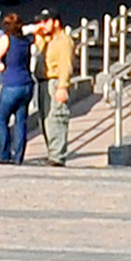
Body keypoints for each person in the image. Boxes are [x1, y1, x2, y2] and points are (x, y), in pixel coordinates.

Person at [0, 4, 42, 165]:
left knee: (1, 119)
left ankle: (4, 154)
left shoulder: (6, 39)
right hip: (27, 84)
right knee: (20, 121)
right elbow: (9, 63)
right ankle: (18, 156)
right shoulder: (25, 41)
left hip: (11, 85)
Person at [32, 14, 84, 166]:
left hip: (54, 81)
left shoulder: (63, 41)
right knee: (44, 119)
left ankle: (57, 156)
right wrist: (39, 36)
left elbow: (65, 65)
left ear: (56, 22)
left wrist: (62, 86)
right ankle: (52, 152)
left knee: (56, 118)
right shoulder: (48, 40)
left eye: (46, 21)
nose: (43, 24)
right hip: (42, 82)